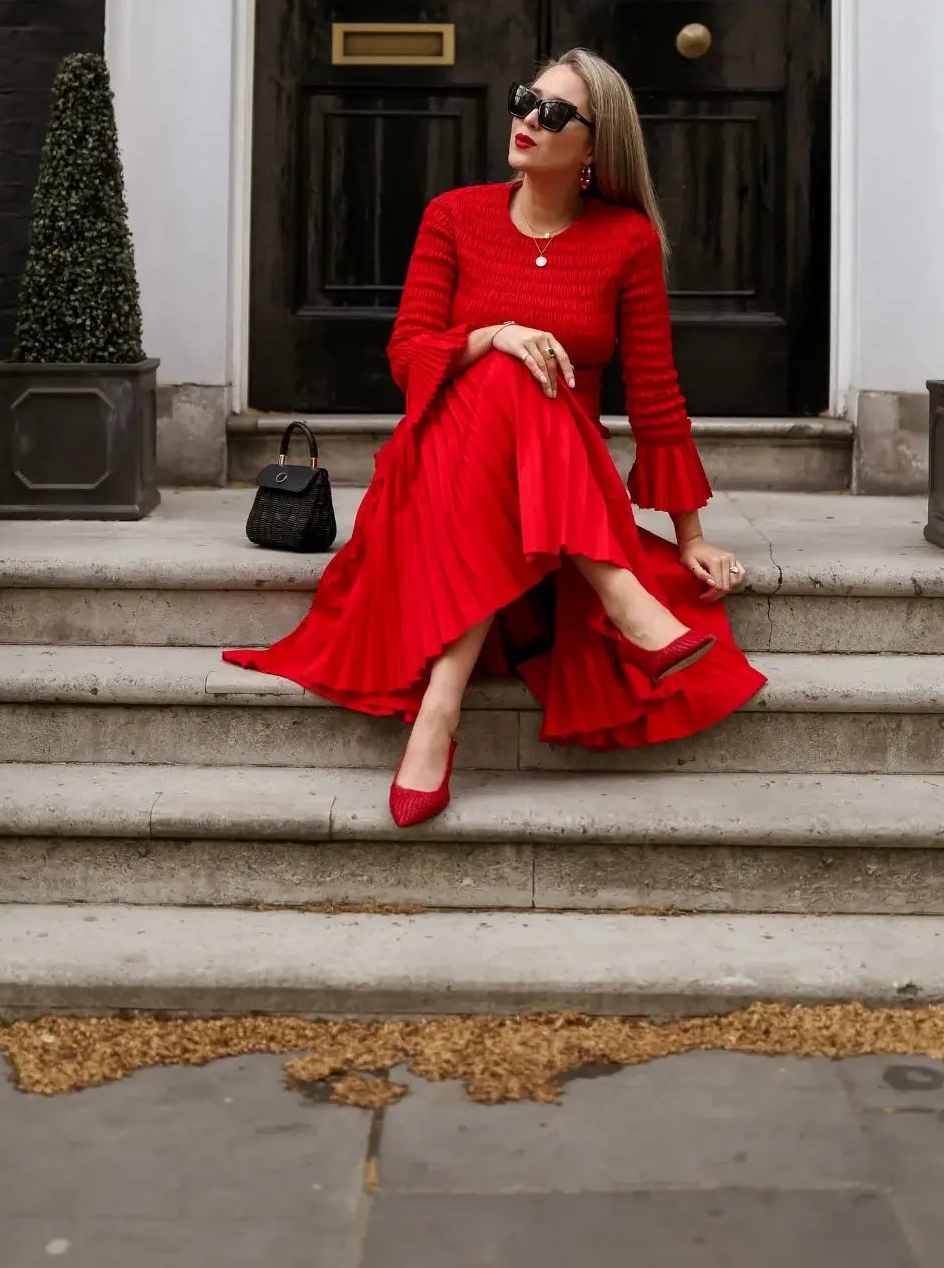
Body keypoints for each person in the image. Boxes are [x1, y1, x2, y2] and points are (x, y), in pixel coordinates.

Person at [224, 48, 766, 825]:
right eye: (524, 99)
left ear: (594, 147)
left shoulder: (627, 241)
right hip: (440, 469)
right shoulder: (455, 216)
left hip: (560, 487)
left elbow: (655, 391)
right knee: (511, 366)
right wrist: (495, 334)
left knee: (529, 376)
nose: (526, 119)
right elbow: (409, 353)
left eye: (552, 113)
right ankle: (622, 595)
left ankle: (438, 713)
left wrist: (690, 536)